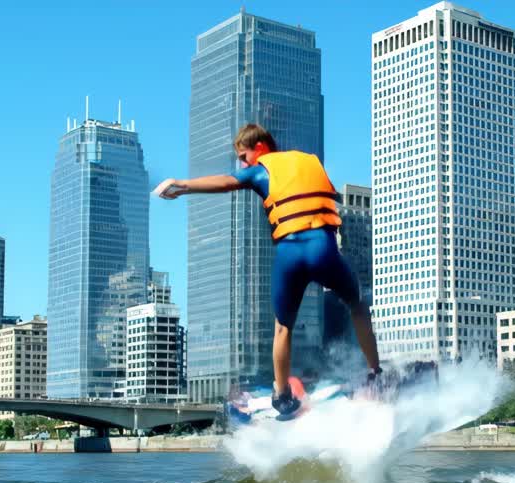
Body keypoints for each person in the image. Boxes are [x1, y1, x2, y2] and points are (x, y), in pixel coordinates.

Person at [155, 123, 381, 418]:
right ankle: (377, 373)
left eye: (243, 155)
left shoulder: (261, 169)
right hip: (323, 250)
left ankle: (283, 396)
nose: (242, 163)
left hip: (290, 254)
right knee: (357, 306)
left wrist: (181, 184)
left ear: (259, 147)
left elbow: (225, 182)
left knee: (282, 328)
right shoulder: (308, 161)